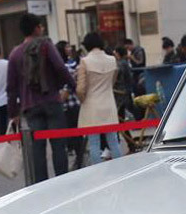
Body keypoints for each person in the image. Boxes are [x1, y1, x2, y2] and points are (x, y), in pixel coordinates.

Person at [6, 12, 76, 181]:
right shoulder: (46, 46)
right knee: (59, 146)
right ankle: (62, 181)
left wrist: (13, 113)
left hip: (30, 107)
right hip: (52, 101)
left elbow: (11, 88)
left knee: (37, 148)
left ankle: (41, 185)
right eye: (41, 26)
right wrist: (73, 86)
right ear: (37, 28)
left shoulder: (15, 54)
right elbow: (60, 68)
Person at [77, 32, 123, 165]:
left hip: (91, 106)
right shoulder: (112, 60)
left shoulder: (85, 61)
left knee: (94, 144)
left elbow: (81, 89)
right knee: (113, 142)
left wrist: (82, 99)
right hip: (109, 103)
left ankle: (97, 173)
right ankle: (121, 169)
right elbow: (112, 82)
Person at [56, 40, 84, 169]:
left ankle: (79, 160)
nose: (69, 48)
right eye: (66, 46)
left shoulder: (71, 63)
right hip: (69, 103)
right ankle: (78, 159)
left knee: (75, 134)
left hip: (71, 102)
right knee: (72, 134)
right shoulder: (63, 65)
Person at [112, 44, 134, 119]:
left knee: (120, 111)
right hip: (125, 90)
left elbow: (118, 76)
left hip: (120, 91)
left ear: (118, 54)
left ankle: (124, 129)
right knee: (122, 111)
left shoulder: (120, 64)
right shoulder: (125, 63)